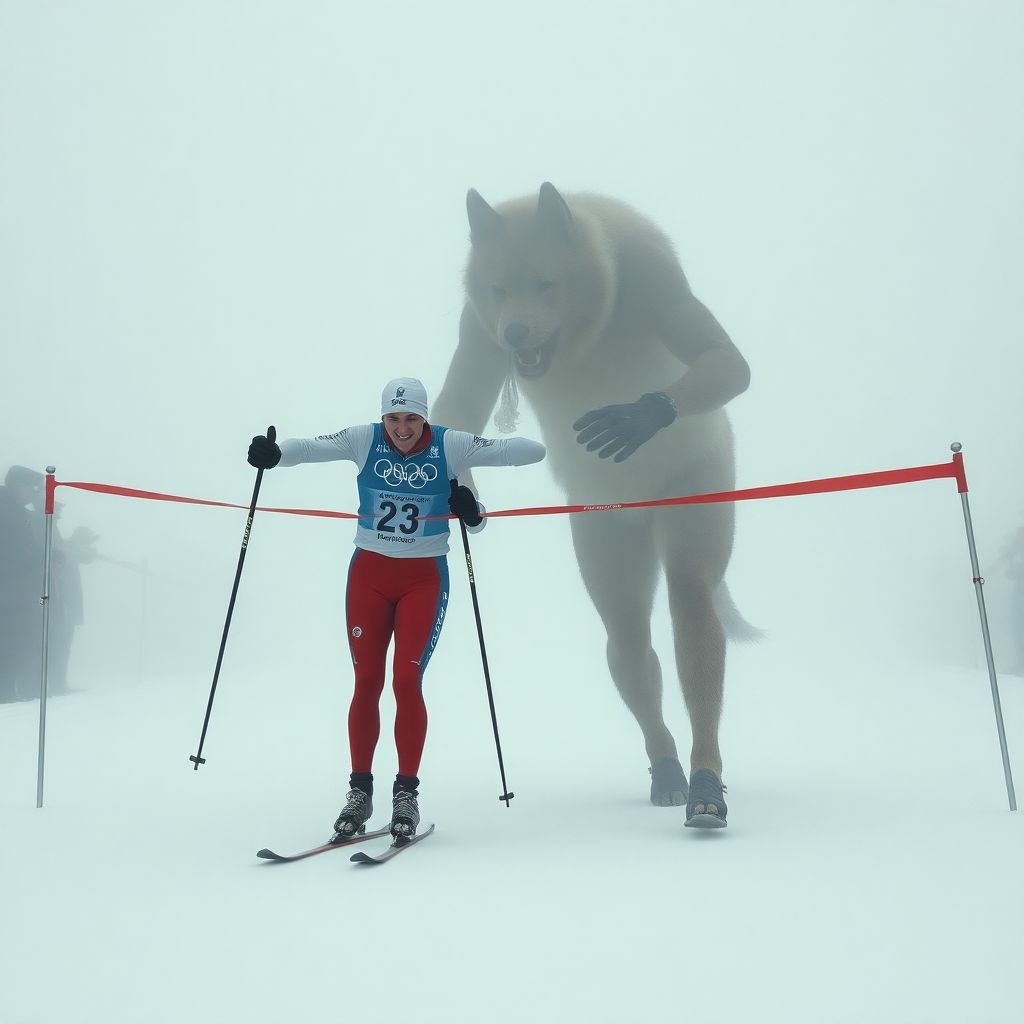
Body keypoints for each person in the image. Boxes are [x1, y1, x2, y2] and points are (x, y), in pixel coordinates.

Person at [246, 377, 545, 840]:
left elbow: (527, 453)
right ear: (382, 417)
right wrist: (274, 454)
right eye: (393, 418)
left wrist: (472, 509)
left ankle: (406, 793)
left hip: (423, 580)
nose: (402, 429)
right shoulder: (363, 439)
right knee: (366, 680)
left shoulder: (451, 445)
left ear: (424, 418)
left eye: (411, 419)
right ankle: (359, 792)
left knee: (405, 681)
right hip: (368, 576)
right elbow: (307, 448)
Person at [0, 466, 44, 703]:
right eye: (32, 487)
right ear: (19, 486)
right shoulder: (8, 513)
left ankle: (8, 690)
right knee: (10, 642)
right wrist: (42, 557)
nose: (35, 493)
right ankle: (5, 692)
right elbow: (12, 552)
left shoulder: (15, 512)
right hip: (9, 594)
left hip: (17, 594)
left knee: (17, 642)